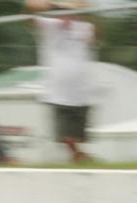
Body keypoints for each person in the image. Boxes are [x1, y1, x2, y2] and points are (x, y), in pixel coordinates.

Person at [26, 0, 97, 162]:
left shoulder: (83, 27)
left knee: (79, 134)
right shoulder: (50, 25)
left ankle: (79, 155)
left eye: (71, 12)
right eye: (65, 11)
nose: (68, 15)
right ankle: (77, 154)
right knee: (65, 133)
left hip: (81, 91)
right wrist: (55, 7)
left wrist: (81, 13)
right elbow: (30, 8)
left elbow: (94, 34)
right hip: (58, 91)